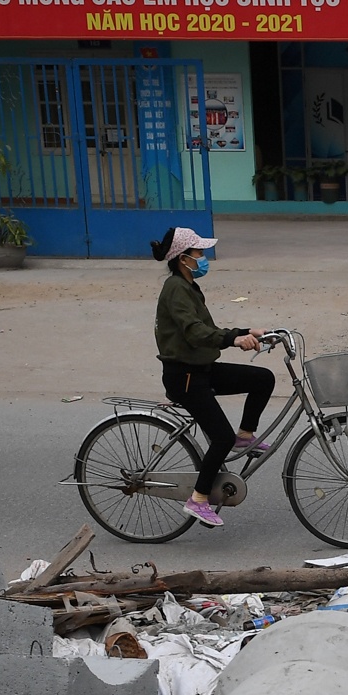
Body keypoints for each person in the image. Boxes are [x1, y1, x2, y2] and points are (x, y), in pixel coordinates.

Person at [150, 226, 272, 528]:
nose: (203, 258)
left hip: (201, 368)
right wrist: (233, 340)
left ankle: (245, 437)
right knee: (220, 437)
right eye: (199, 253)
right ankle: (199, 498)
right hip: (185, 377)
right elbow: (195, 332)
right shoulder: (175, 289)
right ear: (183, 258)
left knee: (263, 379)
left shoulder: (189, 286)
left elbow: (207, 330)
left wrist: (245, 332)